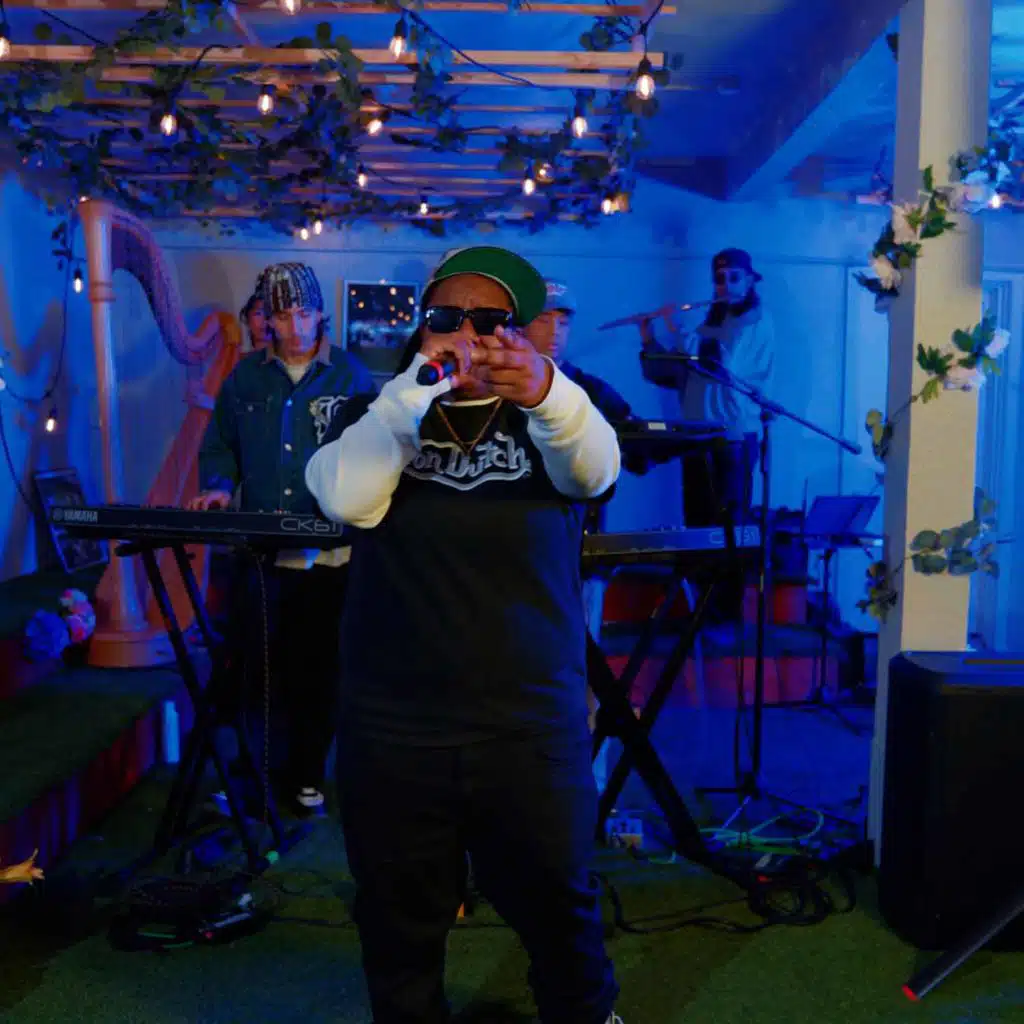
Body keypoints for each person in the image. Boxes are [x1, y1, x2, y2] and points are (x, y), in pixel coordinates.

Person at [306, 246, 624, 1024]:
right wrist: (413, 392)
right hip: (395, 725)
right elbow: (347, 500)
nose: (469, 334)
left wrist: (545, 390)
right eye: (448, 316)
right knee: (397, 918)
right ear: (422, 327)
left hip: (528, 724)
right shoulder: (374, 413)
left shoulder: (556, 414)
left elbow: (595, 473)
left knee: (559, 907)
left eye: (491, 320)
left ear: (522, 332)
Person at [189, 262, 375, 817]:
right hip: (261, 554)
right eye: (283, 315)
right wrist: (218, 487)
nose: (295, 326)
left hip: (331, 556)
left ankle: (307, 775)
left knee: (319, 671)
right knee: (258, 673)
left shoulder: (351, 376)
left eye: (304, 313)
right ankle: (255, 778)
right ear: (267, 319)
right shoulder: (245, 378)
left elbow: (372, 454)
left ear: (320, 314)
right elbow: (219, 446)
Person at [640, 247, 774, 529]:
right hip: (699, 434)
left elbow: (717, 362)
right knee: (697, 527)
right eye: (720, 279)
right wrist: (649, 340)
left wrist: (677, 327)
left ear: (750, 280)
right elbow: (678, 373)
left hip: (732, 438)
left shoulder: (754, 321)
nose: (726, 286)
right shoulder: (713, 323)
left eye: (734, 278)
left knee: (726, 531)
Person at [239, 270, 271, 353]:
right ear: (247, 319)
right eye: (258, 313)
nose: (264, 321)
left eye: (270, 314)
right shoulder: (240, 359)